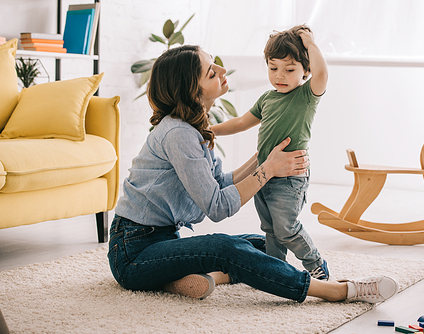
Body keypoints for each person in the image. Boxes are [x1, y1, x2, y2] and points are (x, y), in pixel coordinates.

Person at [108, 44, 400, 304]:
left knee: (266, 245)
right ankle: (335, 291)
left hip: (163, 239)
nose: (222, 69)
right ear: (192, 91)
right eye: (211, 72)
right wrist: (269, 170)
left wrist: (266, 157)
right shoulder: (178, 134)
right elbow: (218, 207)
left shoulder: (193, 129)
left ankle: (199, 278)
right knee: (228, 248)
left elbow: (220, 184)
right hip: (133, 253)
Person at [211, 25, 329, 280]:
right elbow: (241, 122)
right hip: (263, 176)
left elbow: (322, 73)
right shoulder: (267, 99)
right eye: (273, 68)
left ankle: (315, 263)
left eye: (289, 69)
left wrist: (310, 44)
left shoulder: (306, 96)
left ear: (305, 71)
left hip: (289, 178)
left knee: (286, 228)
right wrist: (210, 130)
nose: (280, 76)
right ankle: (274, 271)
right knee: (271, 229)